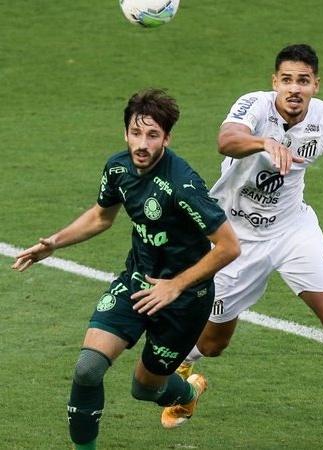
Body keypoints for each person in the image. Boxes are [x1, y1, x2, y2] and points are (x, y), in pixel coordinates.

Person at [168, 44, 323, 449]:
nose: (295, 88)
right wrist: (262, 143)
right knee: (212, 344)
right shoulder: (254, 106)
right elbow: (226, 139)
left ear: (315, 85)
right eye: (287, 80)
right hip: (234, 238)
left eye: (303, 81)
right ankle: (188, 371)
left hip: (293, 230)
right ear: (275, 82)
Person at [12, 88, 240, 450]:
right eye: (136, 133)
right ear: (126, 133)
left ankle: (187, 390)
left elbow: (229, 246)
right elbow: (101, 216)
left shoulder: (183, 185)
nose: (143, 143)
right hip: (136, 282)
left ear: (167, 137)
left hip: (184, 301)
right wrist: (53, 243)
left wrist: (175, 285)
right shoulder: (118, 168)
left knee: (144, 389)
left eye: (153, 135)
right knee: (87, 369)